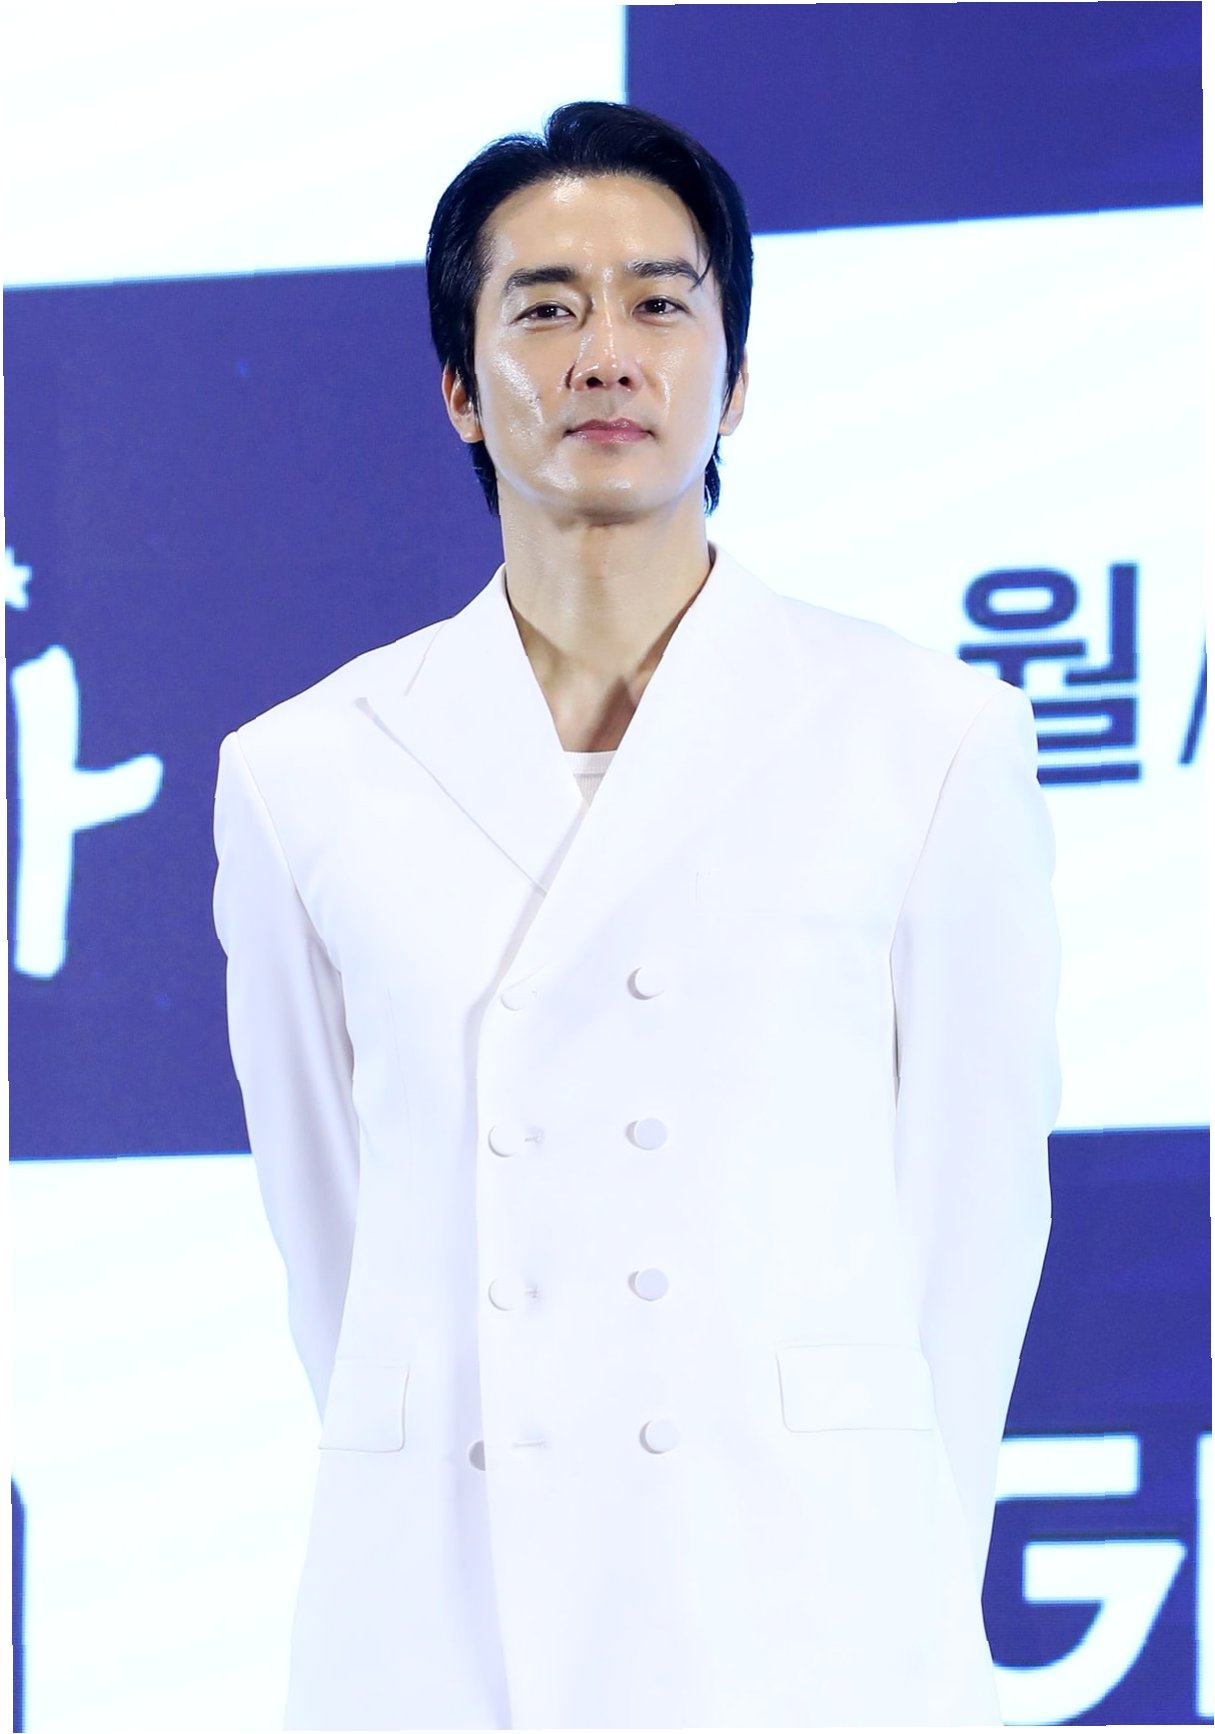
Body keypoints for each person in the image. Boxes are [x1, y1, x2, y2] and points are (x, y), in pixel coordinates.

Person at [213, 98, 1062, 1730]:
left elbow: (974, 1219)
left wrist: (885, 1556)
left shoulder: (924, 737)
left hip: (800, 1602)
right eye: (546, 308)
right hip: (440, 1612)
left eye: (660, 303)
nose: (606, 354)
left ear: (733, 378)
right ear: (461, 388)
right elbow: (340, 1247)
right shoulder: (303, 771)